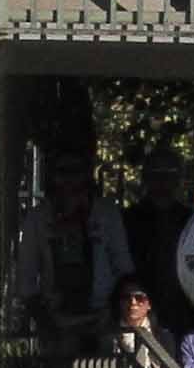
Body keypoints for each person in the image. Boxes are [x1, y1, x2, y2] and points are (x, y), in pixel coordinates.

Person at [14, 150, 133, 355]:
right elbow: (26, 277)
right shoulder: (38, 218)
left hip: (101, 319)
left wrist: (113, 313)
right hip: (58, 321)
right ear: (52, 176)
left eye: (76, 172)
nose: (69, 181)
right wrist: (46, 320)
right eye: (63, 172)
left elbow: (124, 268)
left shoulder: (106, 213)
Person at [122, 148, 192, 342]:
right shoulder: (129, 219)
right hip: (137, 307)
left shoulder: (190, 220)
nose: (162, 182)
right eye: (156, 175)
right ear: (146, 178)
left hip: (181, 310)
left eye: (169, 175)